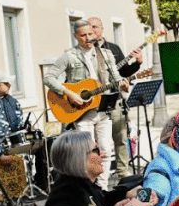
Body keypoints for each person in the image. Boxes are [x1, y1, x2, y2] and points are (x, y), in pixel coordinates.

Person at [44, 20, 125, 190]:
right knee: (86, 152)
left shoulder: (106, 54)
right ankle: (87, 187)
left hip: (103, 108)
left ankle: (102, 188)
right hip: (81, 111)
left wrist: (123, 83)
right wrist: (70, 93)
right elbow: (48, 78)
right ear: (75, 36)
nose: (87, 38)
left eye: (90, 34)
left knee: (106, 149)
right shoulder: (69, 56)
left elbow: (115, 77)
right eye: (83, 35)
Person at [88, 17, 143, 181]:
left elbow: (124, 72)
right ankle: (97, 173)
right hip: (95, 102)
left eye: (95, 27)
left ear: (102, 29)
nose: (93, 31)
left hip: (115, 97)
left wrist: (138, 63)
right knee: (96, 141)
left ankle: (123, 172)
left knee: (120, 136)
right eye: (89, 28)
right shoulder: (86, 51)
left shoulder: (113, 48)